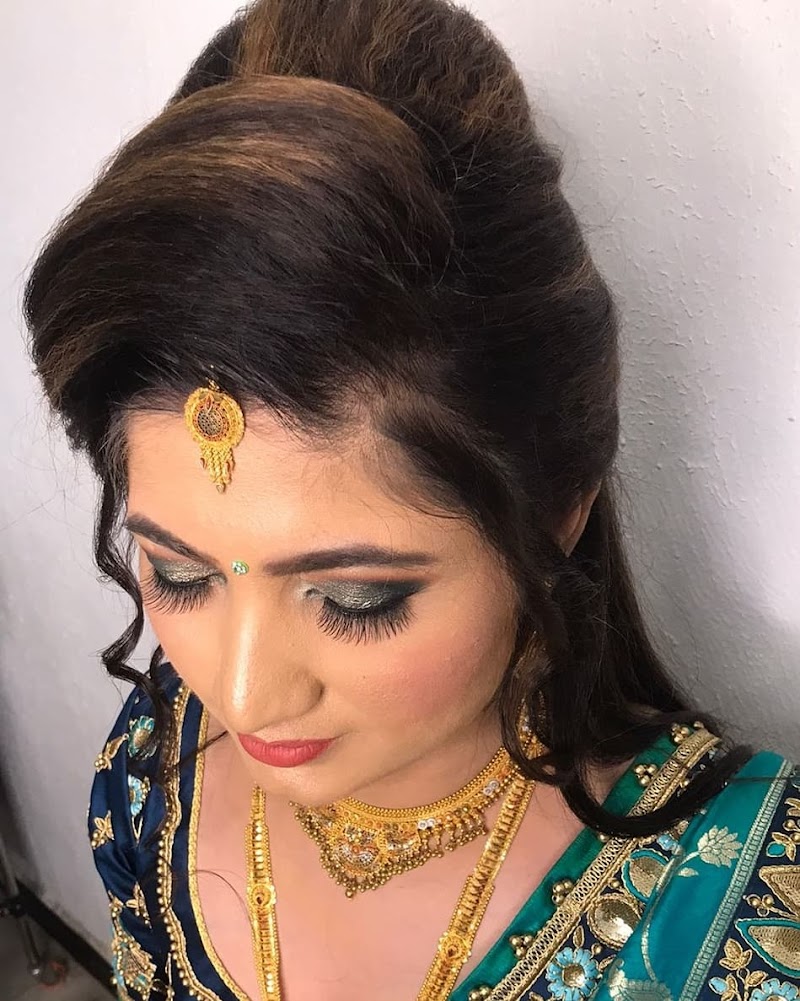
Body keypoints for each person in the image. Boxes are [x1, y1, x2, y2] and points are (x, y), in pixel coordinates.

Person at [24, 0, 799, 998]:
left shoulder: (748, 910)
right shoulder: (152, 765)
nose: (244, 693)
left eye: (355, 598)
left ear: (556, 510)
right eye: (179, 573)